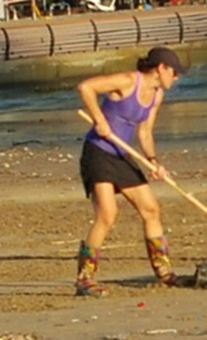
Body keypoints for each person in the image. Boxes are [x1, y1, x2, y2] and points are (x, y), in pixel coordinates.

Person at [75, 46, 187, 296]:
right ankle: (85, 279)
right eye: (174, 72)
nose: (176, 78)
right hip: (99, 152)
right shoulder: (127, 81)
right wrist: (99, 119)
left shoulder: (157, 95)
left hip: (122, 155)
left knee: (151, 209)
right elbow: (85, 88)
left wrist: (154, 161)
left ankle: (164, 272)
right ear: (161, 68)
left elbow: (145, 132)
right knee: (107, 214)